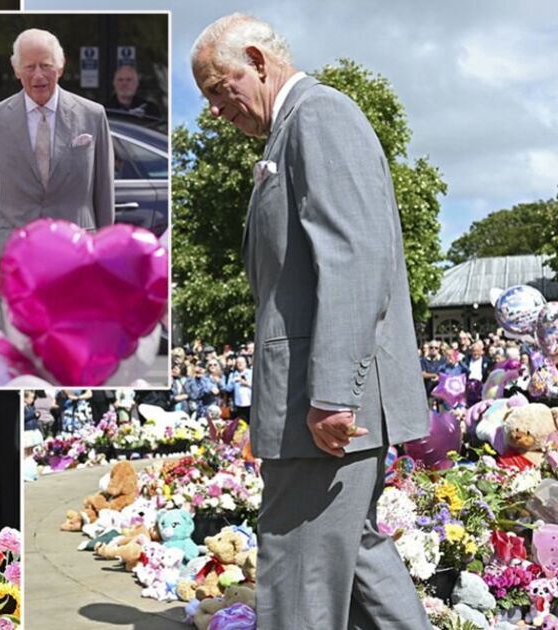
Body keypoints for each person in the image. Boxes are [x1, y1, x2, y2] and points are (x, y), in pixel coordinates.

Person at [192, 13, 429, 628]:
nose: (216, 109)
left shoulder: (318, 116)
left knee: (298, 575)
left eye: (220, 88)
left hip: (319, 409)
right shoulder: (290, 131)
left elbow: (355, 260)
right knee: (354, 563)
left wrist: (331, 394)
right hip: (314, 406)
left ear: (258, 60)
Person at [0, 28, 114, 315]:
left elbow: (104, 188)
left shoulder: (92, 115)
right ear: (16, 71)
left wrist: (105, 253)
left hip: (76, 255)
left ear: (60, 68)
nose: (38, 75)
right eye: (29, 67)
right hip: (13, 255)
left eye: (46, 66)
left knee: (70, 346)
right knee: (20, 347)